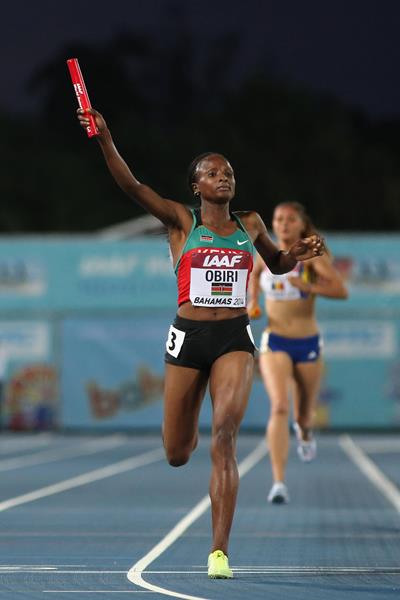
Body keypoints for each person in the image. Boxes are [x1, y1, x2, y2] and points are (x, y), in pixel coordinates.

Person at [77, 107, 324, 578]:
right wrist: (105, 138)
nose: (223, 177)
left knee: (225, 437)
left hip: (233, 335)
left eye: (228, 172)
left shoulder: (250, 223)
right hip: (187, 339)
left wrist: (295, 254)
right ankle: (185, 443)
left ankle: (219, 552)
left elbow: (275, 265)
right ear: (197, 186)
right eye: (212, 173)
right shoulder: (180, 221)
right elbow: (132, 187)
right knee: (177, 451)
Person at [247, 202, 348, 505]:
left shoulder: (310, 257)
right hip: (275, 340)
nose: (283, 224)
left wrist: (306, 285)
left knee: (303, 416)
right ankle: (278, 482)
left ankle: (304, 434)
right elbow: (253, 277)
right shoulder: (265, 255)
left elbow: (340, 291)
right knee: (279, 406)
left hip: (307, 343)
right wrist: (253, 302)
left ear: (301, 225)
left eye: (290, 220)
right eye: (278, 219)